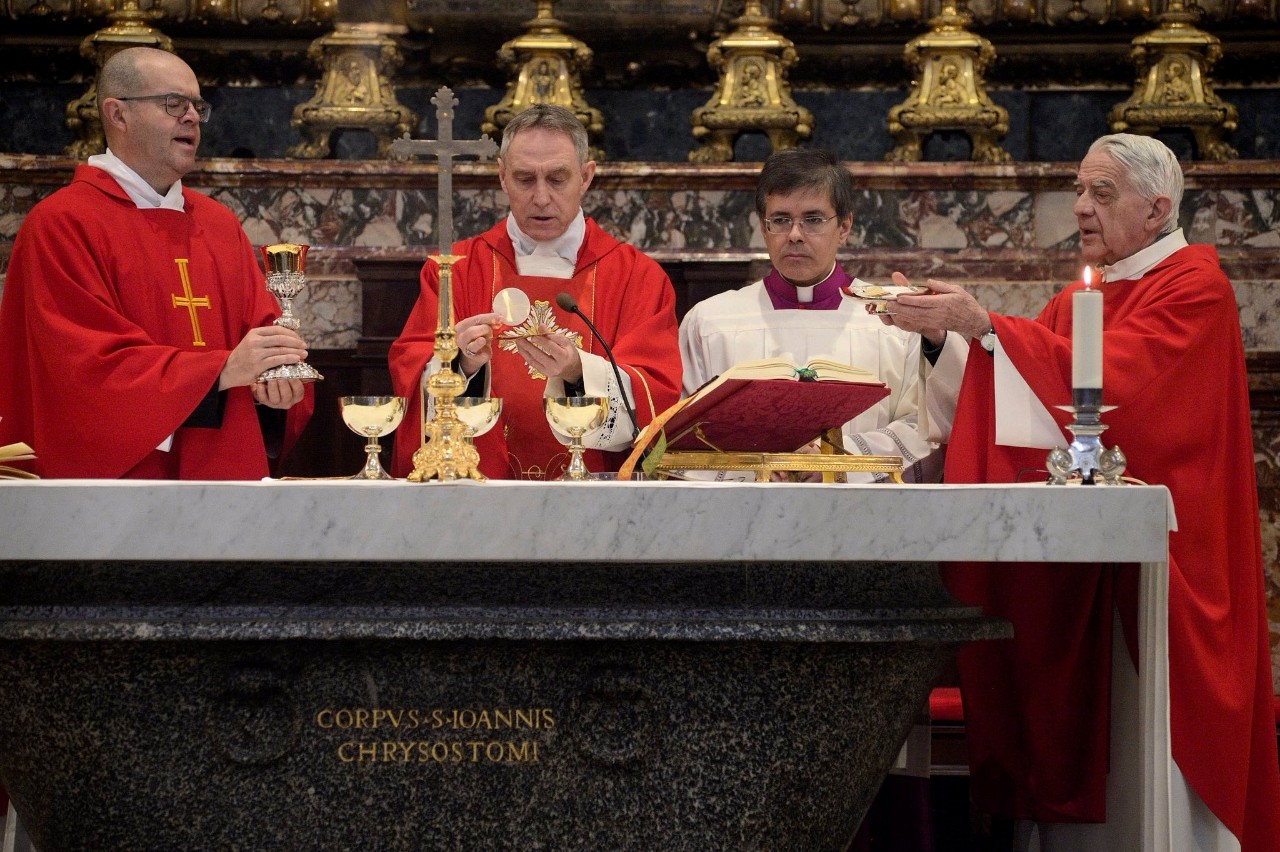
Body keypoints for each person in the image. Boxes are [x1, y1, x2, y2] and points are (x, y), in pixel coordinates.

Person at [883, 133, 1280, 850]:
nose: (1082, 208)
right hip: (1091, 569)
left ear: (1158, 209)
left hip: (1173, 565)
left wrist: (987, 326)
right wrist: (951, 340)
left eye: (1103, 193)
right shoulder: (1080, 301)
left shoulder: (1196, 286)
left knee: (1156, 747)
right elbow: (1018, 396)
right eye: (1079, 189)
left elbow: (1132, 395)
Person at [0, 46, 312, 479]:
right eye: (173, 104)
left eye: (198, 106)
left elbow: (259, 338)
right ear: (117, 113)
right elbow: (83, 372)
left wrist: (273, 382)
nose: (192, 117)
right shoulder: (61, 224)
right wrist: (222, 370)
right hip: (115, 497)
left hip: (222, 482)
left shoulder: (218, 225)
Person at [388, 104, 682, 480]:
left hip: (594, 501)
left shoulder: (637, 277)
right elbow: (410, 371)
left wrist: (579, 373)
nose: (541, 197)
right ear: (502, 177)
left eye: (557, 179)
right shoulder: (453, 270)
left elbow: (657, 390)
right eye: (526, 179)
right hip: (477, 494)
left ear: (586, 177)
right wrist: (459, 365)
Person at [678, 148, 950, 483]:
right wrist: (758, 466)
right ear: (763, 228)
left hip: (863, 516)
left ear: (844, 226)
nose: (794, 234)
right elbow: (679, 438)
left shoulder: (894, 321)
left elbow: (923, 428)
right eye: (780, 220)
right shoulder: (711, 322)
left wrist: (835, 459)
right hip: (745, 518)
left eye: (813, 219)